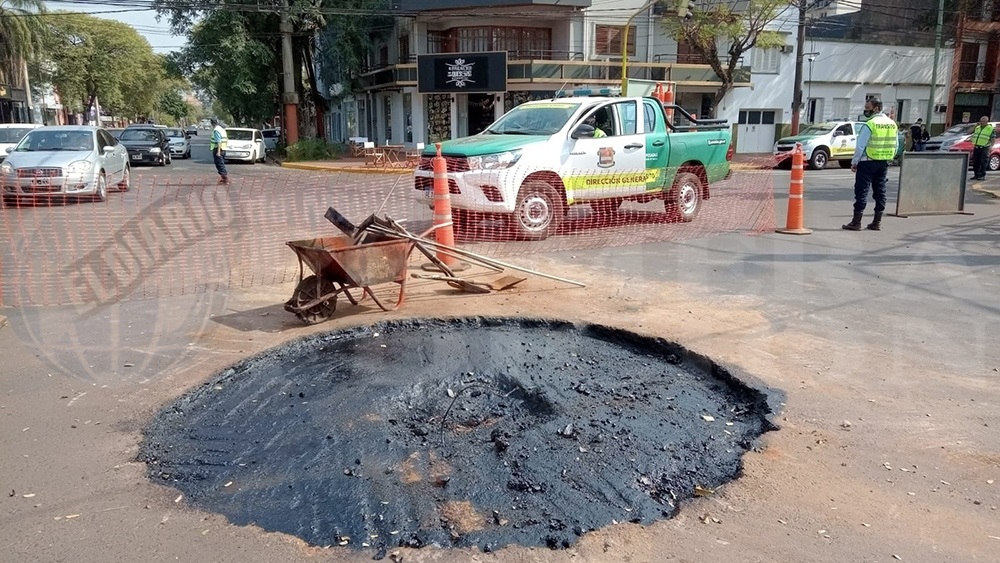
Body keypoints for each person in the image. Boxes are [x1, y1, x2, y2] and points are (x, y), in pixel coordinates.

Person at [843, 97, 898, 232]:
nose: (866, 111)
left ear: (876, 108)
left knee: (861, 191)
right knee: (880, 192)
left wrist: (854, 162)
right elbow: (896, 145)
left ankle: (856, 223)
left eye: (868, 109)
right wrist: (889, 158)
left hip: (867, 161)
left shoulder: (870, 124)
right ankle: (877, 222)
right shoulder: (892, 124)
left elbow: (860, 146)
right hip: (883, 163)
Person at [970, 115, 995, 181]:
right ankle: (976, 175)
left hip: (985, 147)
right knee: (975, 162)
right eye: (981, 121)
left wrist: (991, 146)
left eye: (984, 121)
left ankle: (982, 175)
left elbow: (993, 138)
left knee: (983, 162)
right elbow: (969, 132)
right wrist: (975, 126)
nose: (982, 122)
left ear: (987, 122)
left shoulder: (990, 128)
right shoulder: (977, 127)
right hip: (976, 147)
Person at [209, 118, 229, 184]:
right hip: (223, 149)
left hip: (218, 149)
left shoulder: (216, 130)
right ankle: (223, 179)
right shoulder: (222, 129)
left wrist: (218, 152)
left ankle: (225, 179)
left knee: (219, 164)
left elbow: (218, 141)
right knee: (221, 163)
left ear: (212, 123)